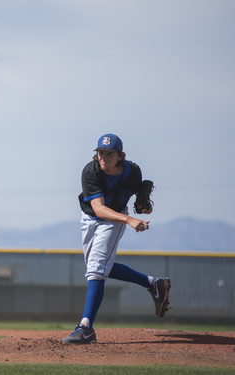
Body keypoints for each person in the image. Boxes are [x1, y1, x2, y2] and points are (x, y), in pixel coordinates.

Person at [62, 133, 171, 344]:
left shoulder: (134, 172)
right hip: (92, 217)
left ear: (121, 155)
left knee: (96, 268)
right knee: (100, 267)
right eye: (100, 153)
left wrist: (144, 209)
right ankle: (152, 284)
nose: (103, 157)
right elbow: (99, 209)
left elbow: (143, 206)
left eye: (108, 153)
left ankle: (85, 328)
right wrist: (130, 219)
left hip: (114, 222)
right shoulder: (91, 171)